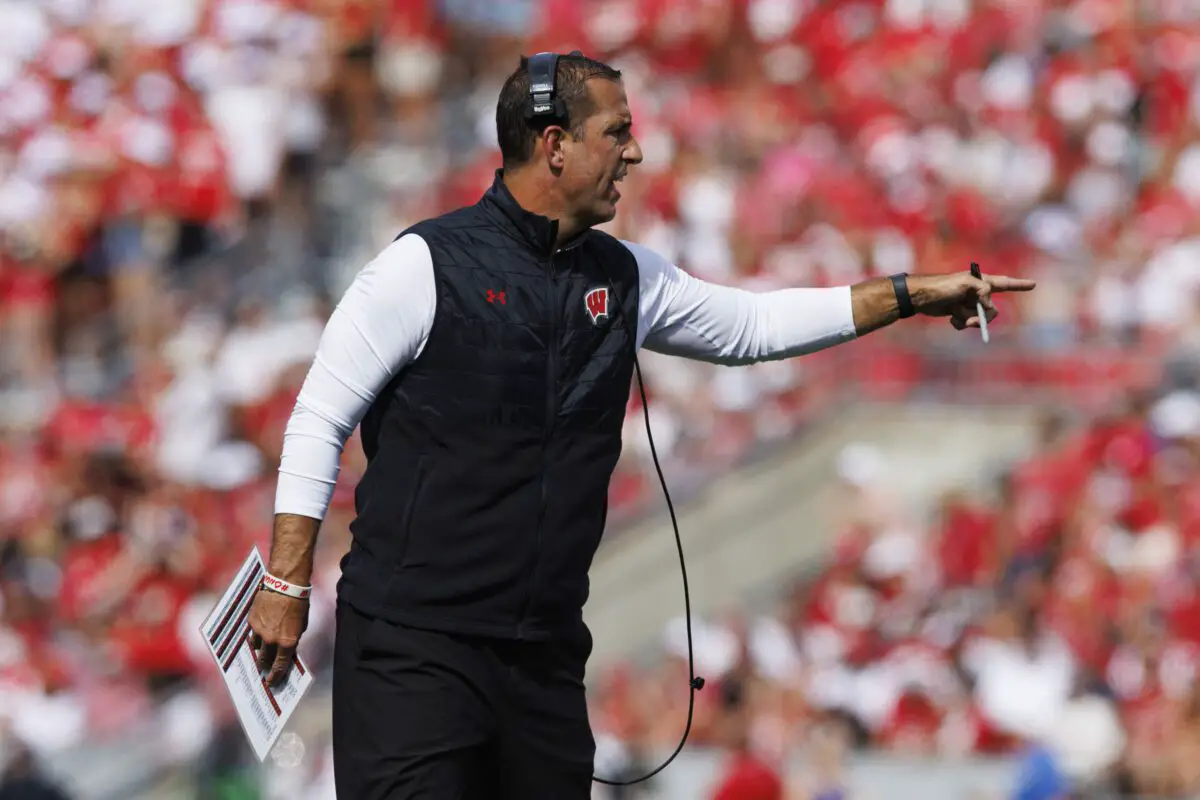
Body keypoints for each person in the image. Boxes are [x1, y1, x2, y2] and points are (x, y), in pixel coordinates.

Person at [246, 51, 1035, 799]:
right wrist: (284, 584)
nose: (637, 153)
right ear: (554, 145)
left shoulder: (625, 275)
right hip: (417, 647)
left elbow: (753, 328)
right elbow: (319, 416)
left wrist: (906, 294)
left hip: (544, 652)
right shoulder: (423, 266)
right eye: (617, 131)